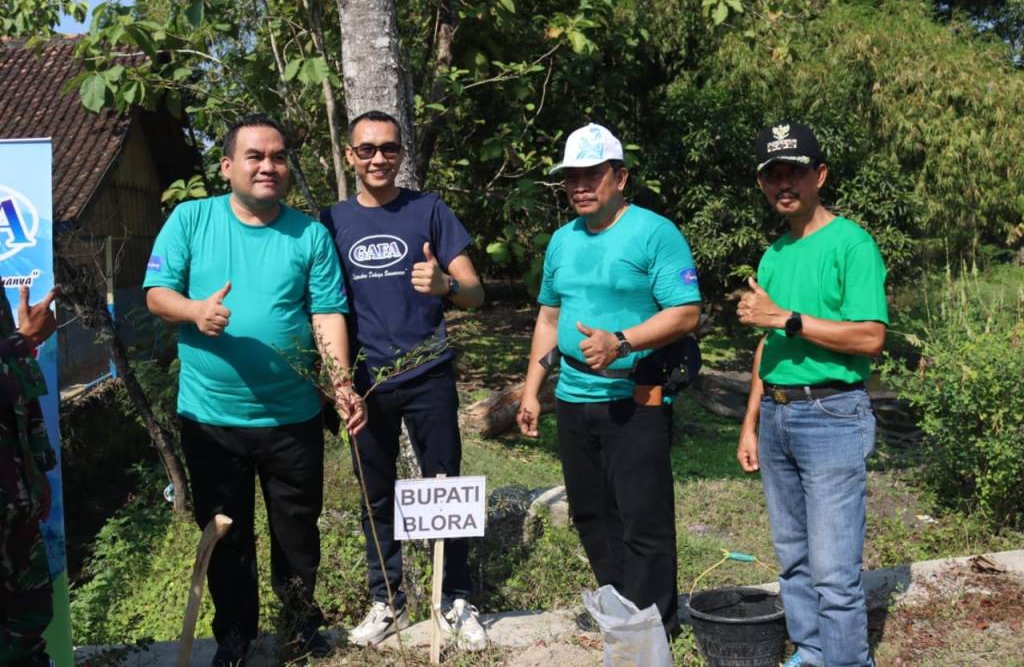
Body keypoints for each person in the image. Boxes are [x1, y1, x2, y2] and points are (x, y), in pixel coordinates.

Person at [145, 114, 364, 666]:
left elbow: (327, 313)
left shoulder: (309, 234)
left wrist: (340, 385)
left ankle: (298, 626)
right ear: (228, 167)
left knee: (297, 532)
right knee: (226, 537)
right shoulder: (191, 220)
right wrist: (195, 311)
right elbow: (156, 294)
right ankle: (235, 640)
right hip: (211, 419)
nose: (269, 166)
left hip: (291, 417)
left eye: (279, 157)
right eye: (255, 156)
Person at [515, 123, 701, 636]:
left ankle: (656, 623)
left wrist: (621, 341)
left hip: (636, 397)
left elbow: (686, 314)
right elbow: (549, 320)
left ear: (619, 176)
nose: (580, 185)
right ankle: (618, 610)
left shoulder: (654, 232)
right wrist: (532, 390)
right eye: (571, 176)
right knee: (592, 513)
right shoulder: (562, 240)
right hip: (573, 398)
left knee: (644, 517)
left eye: (591, 174)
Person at [319, 110, 487, 650]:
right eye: (366, 149)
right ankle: (386, 600)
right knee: (376, 493)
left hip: (428, 372)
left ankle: (455, 598)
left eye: (388, 148)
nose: (377, 158)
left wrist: (444, 285)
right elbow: (325, 309)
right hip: (366, 383)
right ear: (349, 156)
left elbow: (475, 293)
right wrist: (340, 380)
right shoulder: (330, 222)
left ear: (400, 154)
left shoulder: (429, 210)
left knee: (446, 487)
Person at [736, 121, 887, 667]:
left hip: (832, 414)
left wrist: (790, 318)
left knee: (833, 569)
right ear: (762, 185)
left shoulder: (852, 243)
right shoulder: (774, 254)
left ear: (819, 175)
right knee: (793, 558)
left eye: (794, 171)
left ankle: (847, 661)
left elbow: (871, 338)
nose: (784, 183)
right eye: (773, 174)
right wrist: (750, 422)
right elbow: (766, 345)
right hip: (777, 415)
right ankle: (811, 651)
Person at [0, 285, 58, 667]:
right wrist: (23, 340)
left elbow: (18, 381)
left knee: (28, 618)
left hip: (15, 490)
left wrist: (37, 466)